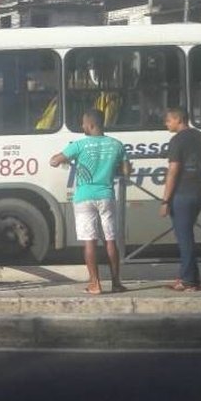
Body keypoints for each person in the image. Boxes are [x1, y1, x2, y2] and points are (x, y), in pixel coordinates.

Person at [50, 109, 131, 295]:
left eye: (83, 123)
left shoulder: (79, 145)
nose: (82, 126)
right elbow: (126, 172)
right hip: (106, 196)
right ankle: (116, 283)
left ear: (91, 124)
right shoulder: (117, 145)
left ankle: (95, 284)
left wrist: (65, 161)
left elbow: (54, 161)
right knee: (110, 241)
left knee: (90, 242)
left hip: (84, 198)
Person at [160, 107, 201, 292]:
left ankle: (188, 280)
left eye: (168, 121)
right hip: (200, 189)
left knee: (184, 237)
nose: (166, 124)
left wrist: (165, 201)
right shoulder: (200, 136)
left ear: (178, 119)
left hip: (182, 192)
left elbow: (173, 170)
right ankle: (191, 278)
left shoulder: (177, 140)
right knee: (187, 234)